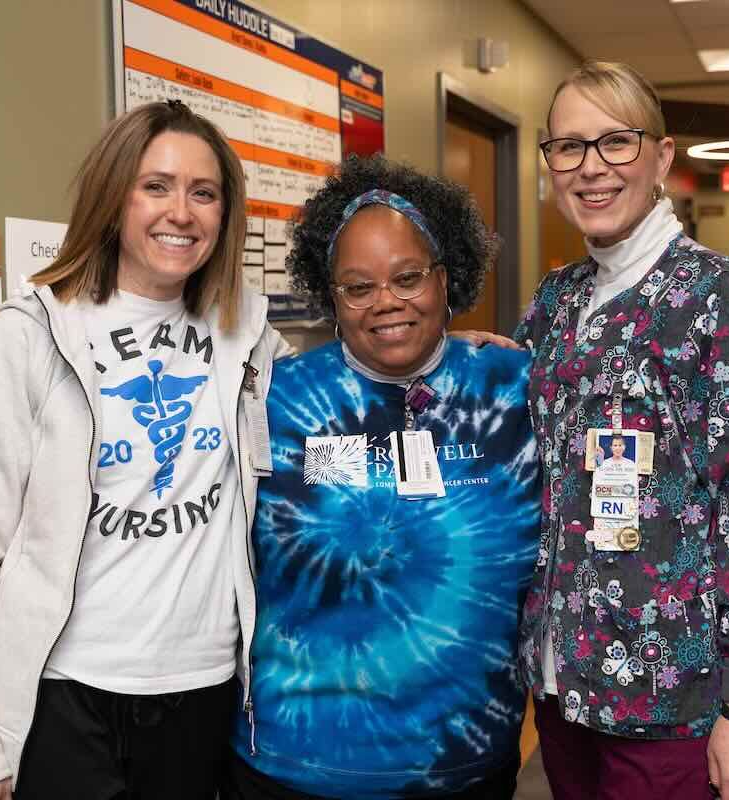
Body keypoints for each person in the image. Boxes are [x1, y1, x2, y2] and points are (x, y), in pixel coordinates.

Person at [0, 100, 291, 799]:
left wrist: (445, 357)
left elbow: (344, 383)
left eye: (203, 192)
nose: (180, 211)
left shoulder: (247, 336)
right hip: (68, 698)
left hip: (204, 691)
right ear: (113, 195)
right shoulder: (28, 337)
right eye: (156, 185)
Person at [513, 61, 729, 800]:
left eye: (616, 142)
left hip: (670, 696)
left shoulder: (714, 295)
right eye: (568, 147)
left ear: (662, 158)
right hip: (563, 683)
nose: (591, 168)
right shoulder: (557, 300)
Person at [221, 154, 541, 799]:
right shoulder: (270, 400)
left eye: (408, 278)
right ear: (329, 296)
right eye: (358, 287)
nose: (386, 303)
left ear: (446, 279)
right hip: (297, 763)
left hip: (466, 760)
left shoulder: (515, 388)